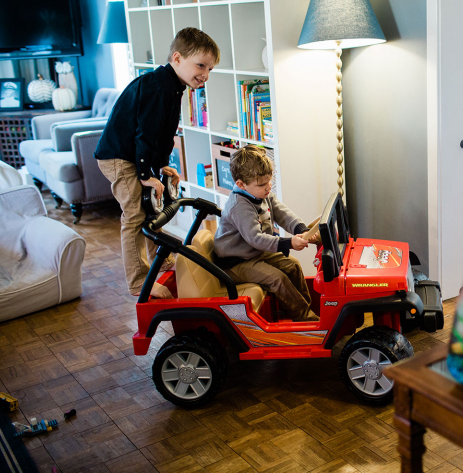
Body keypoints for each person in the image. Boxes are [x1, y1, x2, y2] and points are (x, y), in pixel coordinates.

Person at [95, 27, 220, 298]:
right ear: (177, 58)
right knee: (135, 215)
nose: (205, 75)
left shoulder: (174, 86)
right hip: (119, 157)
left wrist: (161, 164)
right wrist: (143, 173)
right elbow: (145, 133)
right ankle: (139, 281)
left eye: (210, 69)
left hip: (135, 155)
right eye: (200, 65)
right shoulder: (159, 87)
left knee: (153, 207)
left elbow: (164, 132)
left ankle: (160, 259)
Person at [214, 145, 319, 322]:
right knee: (277, 279)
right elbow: (255, 238)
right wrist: (288, 243)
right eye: (262, 184)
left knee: (292, 266)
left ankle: (303, 310)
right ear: (241, 184)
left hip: (254, 253)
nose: (268, 187)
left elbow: (281, 213)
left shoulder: (262, 193)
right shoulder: (239, 206)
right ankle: (306, 319)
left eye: (270, 181)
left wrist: (302, 230)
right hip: (236, 263)